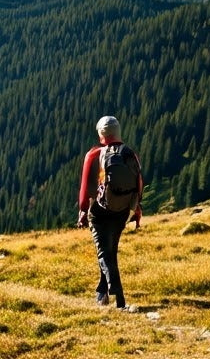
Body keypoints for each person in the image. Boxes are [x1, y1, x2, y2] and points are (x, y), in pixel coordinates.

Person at [76, 115, 143, 309]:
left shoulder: (94, 154)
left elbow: (86, 188)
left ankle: (118, 297)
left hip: (100, 211)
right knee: (109, 250)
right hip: (123, 210)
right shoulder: (130, 153)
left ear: (101, 134)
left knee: (104, 252)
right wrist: (136, 209)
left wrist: (82, 210)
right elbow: (139, 183)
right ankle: (101, 293)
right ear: (118, 132)